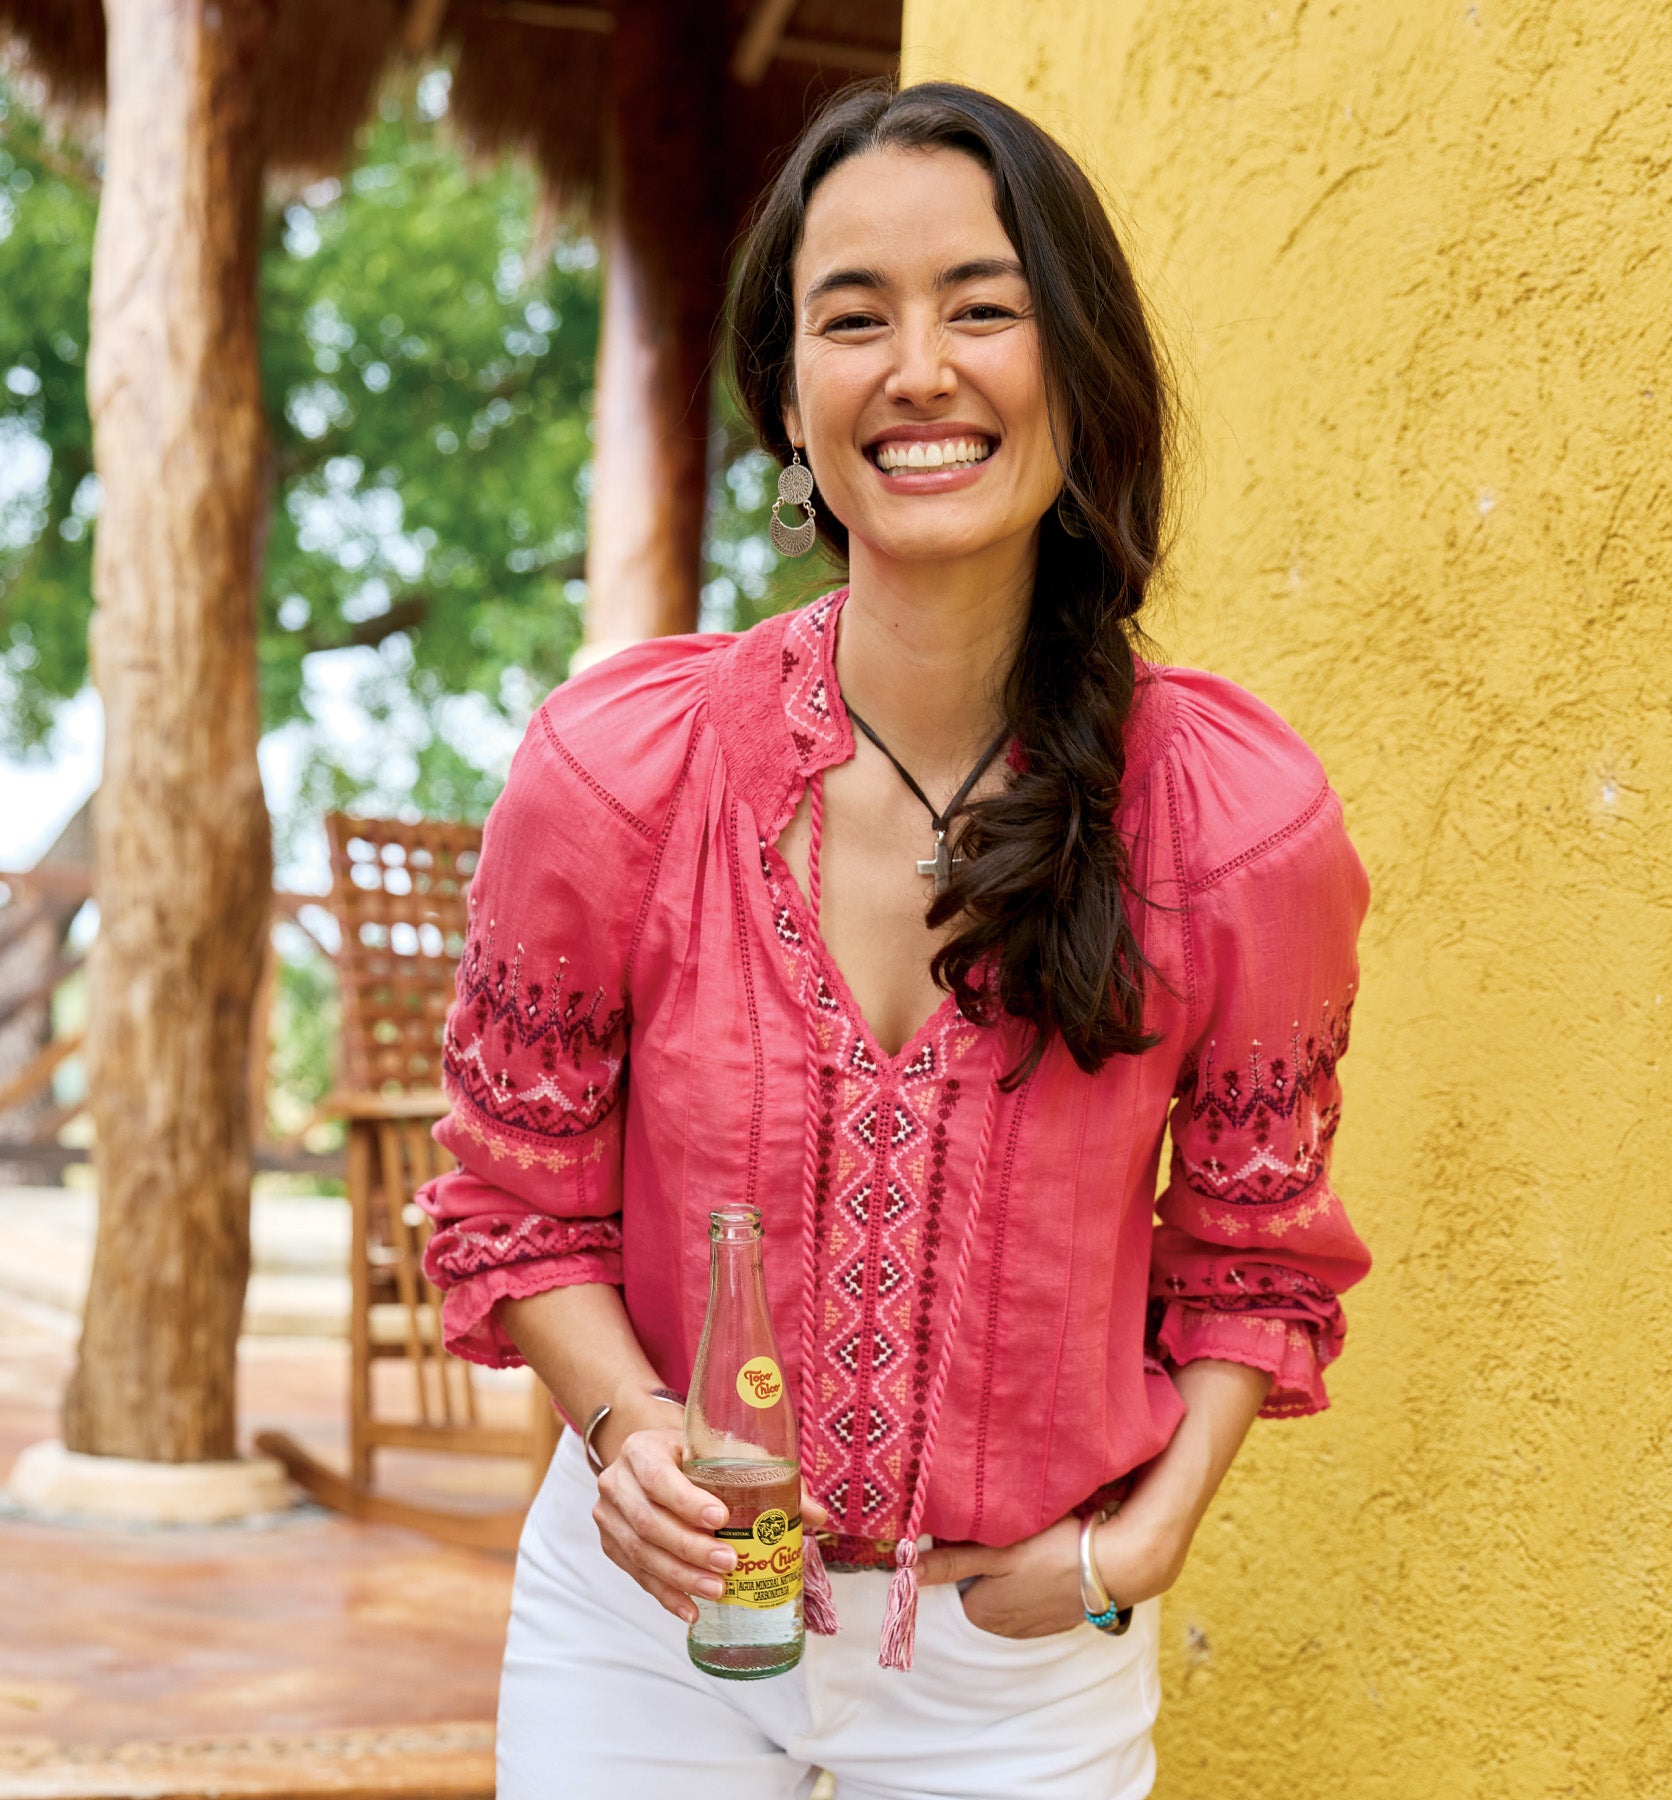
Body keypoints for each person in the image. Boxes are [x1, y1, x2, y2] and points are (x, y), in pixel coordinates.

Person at [417, 79, 1371, 1800]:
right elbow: (513, 1201)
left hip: (1017, 1663)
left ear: (1079, 366)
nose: (919, 370)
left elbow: (1255, 1251)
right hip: (646, 1631)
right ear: (790, 399)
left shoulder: (1232, 824)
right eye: (852, 319)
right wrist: (629, 1431)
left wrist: (1142, 1545)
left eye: (983, 309)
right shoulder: (620, 775)